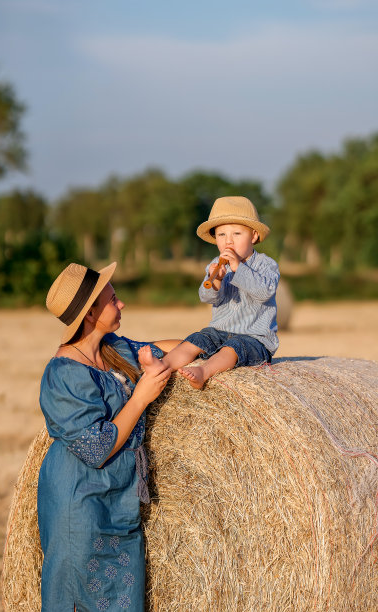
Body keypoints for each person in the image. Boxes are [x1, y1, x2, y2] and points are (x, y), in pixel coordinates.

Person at [37, 261, 177, 612]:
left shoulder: (113, 350)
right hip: (80, 508)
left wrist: (213, 346)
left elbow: (162, 349)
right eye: (113, 299)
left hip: (119, 503)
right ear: (90, 314)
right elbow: (97, 447)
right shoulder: (63, 375)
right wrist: (141, 395)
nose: (122, 304)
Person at [139, 196, 279, 389]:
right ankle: (163, 365)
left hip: (254, 338)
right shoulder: (215, 264)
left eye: (237, 234)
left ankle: (203, 372)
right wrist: (216, 281)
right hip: (219, 331)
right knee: (194, 340)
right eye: (221, 235)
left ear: (254, 236)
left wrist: (239, 268)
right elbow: (205, 296)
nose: (228, 241)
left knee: (233, 349)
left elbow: (264, 292)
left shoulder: (266, 265)